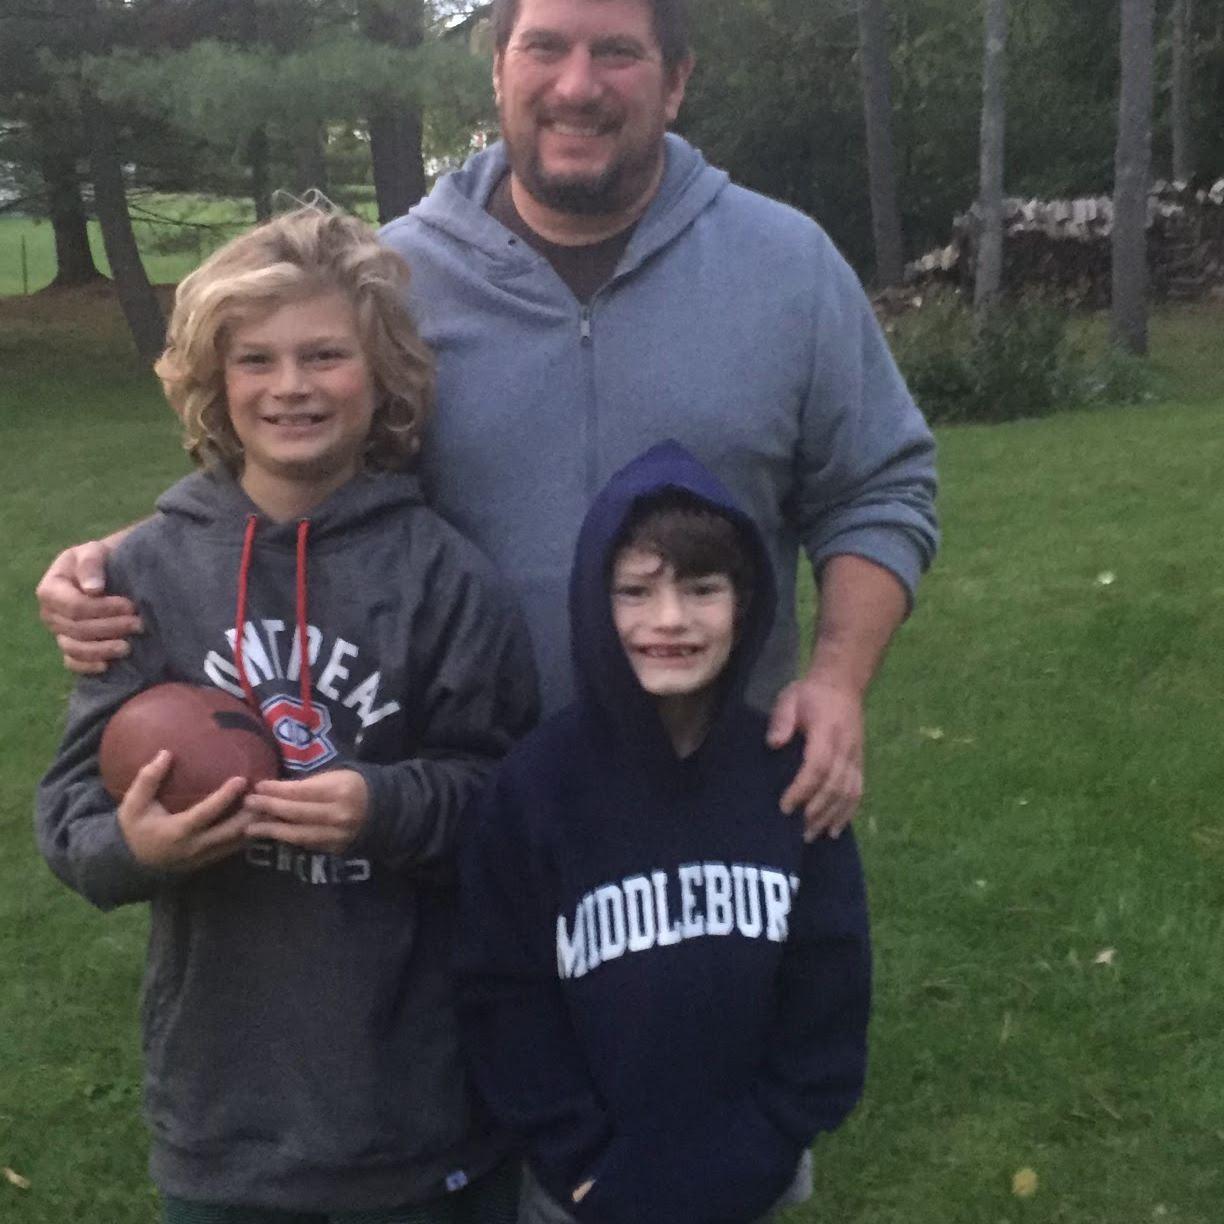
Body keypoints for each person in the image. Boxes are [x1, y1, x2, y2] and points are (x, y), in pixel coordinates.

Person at [35, 0, 938, 840]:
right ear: (498, 69)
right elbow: (300, 477)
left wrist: (837, 680)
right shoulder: (388, 287)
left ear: (675, 81)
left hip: (721, 800)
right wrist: (126, 557)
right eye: (544, 47)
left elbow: (878, 488)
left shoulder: (786, 266)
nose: (577, 85)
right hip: (462, 831)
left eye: (616, 52)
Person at [35, 209, 537, 1224]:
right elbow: (70, 817)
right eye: (255, 359)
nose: (290, 386)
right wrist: (136, 847)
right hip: (226, 1118)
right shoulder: (147, 576)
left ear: (383, 373)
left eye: (324, 355)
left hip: (417, 1105)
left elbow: (509, 802)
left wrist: (384, 807)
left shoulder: (444, 577)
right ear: (214, 382)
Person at [458, 440, 871, 1224]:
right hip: (587, 1190)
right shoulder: (535, 790)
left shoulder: (790, 777)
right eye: (635, 592)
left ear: (744, 604)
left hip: (753, 1174)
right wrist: (580, 1160)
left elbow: (831, 976)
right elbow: (503, 994)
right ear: (594, 602)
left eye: (702, 589)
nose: (670, 619)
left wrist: (775, 1135)